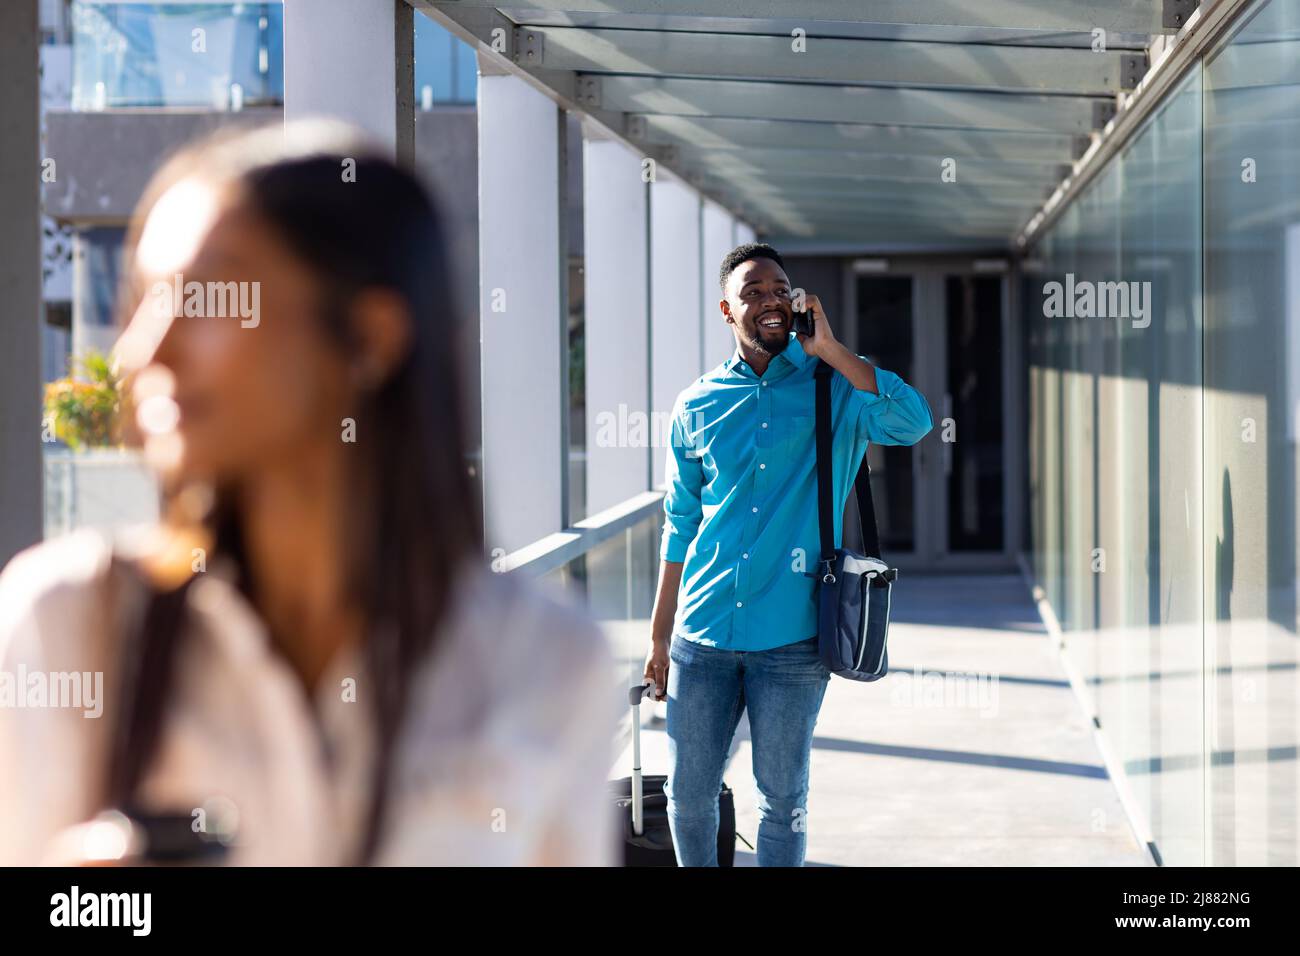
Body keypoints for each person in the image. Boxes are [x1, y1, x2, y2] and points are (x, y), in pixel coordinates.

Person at [0, 120, 620, 866]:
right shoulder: (69, 622)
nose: (143, 352)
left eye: (203, 297)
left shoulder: (547, 664)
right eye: (144, 300)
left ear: (368, 338)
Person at [643, 242, 933, 866]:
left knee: (782, 799)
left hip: (794, 641)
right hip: (703, 633)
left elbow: (914, 421)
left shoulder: (838, 390)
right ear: (727, 310)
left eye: (780, 290)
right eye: (754, 292)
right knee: (687, 795)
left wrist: (828, 349)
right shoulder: (697, 403)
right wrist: (659, 637)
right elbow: (679, 525)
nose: (771, 301)